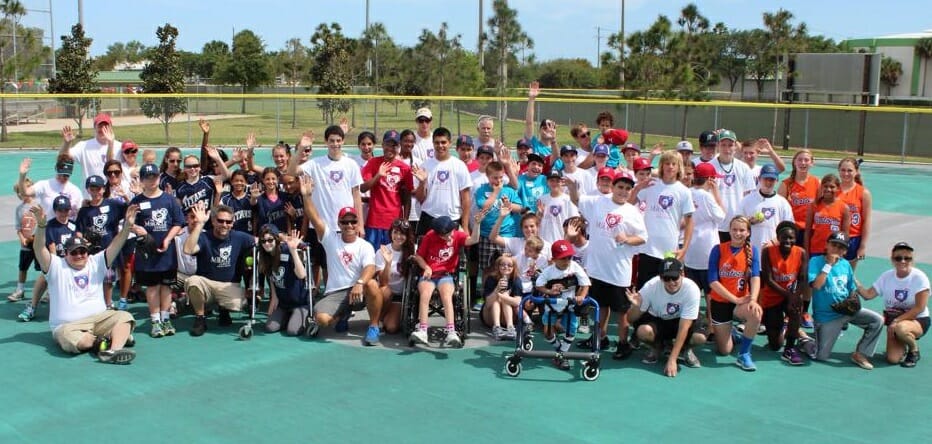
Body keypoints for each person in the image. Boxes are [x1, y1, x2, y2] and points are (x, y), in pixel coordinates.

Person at [32, 202, 140, 364]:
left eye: (82, 251)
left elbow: (116, 243)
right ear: (66, 253)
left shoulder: (95, 262)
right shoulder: (56, 266)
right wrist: (41, 227)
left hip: (99, 319)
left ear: (87, 252)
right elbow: (39, 248)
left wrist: (127, 226)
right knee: (70, 339)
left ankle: (113, 351)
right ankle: (104, 341)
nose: (79, 255)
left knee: (125, 317)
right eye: (74, 252)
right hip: (68, 325)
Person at [567, 170, 647, 360]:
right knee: (600, 306)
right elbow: (577, 200)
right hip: (597, 268)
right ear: (612, 187)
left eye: (628, 188)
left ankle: (623, 343)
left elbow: (643, 238)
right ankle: (599, 337)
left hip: (619, 270)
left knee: (622, 311)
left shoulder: (632, 212)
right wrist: (571, 188)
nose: (623, 191)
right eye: (620, 187)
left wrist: (627, 238)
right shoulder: (598, 202)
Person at [300, 175, 381, 345]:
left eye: (353, 221)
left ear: (358, 222)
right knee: (322, 319)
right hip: (336, 292)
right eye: (345, 222)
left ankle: (373, 326)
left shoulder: (364, 245)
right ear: (339, 223)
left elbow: (370, 268)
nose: (349, 225)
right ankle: (341, 315)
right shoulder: (330, 239)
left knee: (372, 284)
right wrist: (307, 196)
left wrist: (359, 283)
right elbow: (314, 217)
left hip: (358, 290)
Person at [807, 232, 883, 370]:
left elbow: (851, 288)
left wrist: (852, 300)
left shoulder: (845, 265)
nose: (837, 249)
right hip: (827, 317)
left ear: (845, 251)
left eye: (841, 247)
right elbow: (817, 285)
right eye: (834, 245)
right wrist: (828, 265)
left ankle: (861, 354)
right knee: (821, 356)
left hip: (846, 311)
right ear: (827, 245)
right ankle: (804, 340)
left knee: (877, 320)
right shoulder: (816, 262)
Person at [183, 202, 256, 337]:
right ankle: (200, 318)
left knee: (239, 304)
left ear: (232, 223)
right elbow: (187, 250)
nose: (224, 224)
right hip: (207, 284)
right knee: (192, 281)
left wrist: (282, 238)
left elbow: (261, 240)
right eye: (220, 221)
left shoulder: (239, 237)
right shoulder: (204, 237)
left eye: (228, 222)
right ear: (213, 221)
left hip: (228, 285)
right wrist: (199, 224)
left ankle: (224, 310)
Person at [130, 164, 185, 338]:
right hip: (148, 252)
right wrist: (139, 230)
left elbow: (178, 222)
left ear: (159, 178)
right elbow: (128, 223)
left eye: (154, 176)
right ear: (142, 180)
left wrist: (168, 239)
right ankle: (155, 321)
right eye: (147, 177)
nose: (151, 180)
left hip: (166, 252)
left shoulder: (169, 200)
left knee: (167, 286)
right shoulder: (137, 201)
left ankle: (165, 318)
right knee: (152, 287)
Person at [625, 257, 705, 376]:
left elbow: (684, 327)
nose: (671, 282)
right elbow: (630, 319)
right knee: (642, 331)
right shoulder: (651, 286)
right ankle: (658, 347)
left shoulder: (692, 289)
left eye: (675, 277)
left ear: (682, 274)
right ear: (660, 277)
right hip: (659, 320)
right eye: (666, 278)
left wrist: (672, 359)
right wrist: (636, 306)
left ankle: (685, 349)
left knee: (700, 337)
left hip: (680, 321)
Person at [410, 215, 481, 347]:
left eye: (450, 234)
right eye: (445, 236)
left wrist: (477, 224)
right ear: (438, 234)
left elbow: (473, 240)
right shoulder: (430, 236)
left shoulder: (458, 235)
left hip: (446, 275)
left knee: (447, 296)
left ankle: (451, 332)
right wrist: (426, 267)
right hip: (429, 274)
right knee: (425, 294)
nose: (449, 238)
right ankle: (423, 330)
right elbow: (418, 256)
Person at [855, 242, 928, 368]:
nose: (903, 261)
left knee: (901, 328)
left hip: (917, 320)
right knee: (893, 359)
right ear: (892, 260)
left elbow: (919, 308)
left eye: (907, 258)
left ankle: (914, 350)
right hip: (895, 321)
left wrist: (896, 321)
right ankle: (904, 340)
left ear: (912, 259)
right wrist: (852, 280)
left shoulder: (919, 277)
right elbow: (868, 295)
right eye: (898, 258)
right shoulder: (887, 276)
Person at [630, 151, 694, 290]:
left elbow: (689, 222)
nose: (670, 167)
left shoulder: (684, 191)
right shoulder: (651, 185)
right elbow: (629, 204)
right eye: (667, 163)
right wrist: (638, 188)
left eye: (674, 164)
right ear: (661, 166)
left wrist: (685, 248)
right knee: (644, 288)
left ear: (679, 167)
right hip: (648, 247)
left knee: (666, 288)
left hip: (669, 249)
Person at [706, 216, 763, 371]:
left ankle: (744, 354)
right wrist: (734, 299)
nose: (738, 233)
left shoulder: (753, 251)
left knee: (756, 312)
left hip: (741, 302)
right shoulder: (718, 249)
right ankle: (733, 333)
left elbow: (756, 277)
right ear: (729, 231)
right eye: (734, 230)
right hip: (721, 302)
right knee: (724, 351)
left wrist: (753, 299)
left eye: (742, 230)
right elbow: (713, 281)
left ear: (748, 232)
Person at [535, 239, 591, 370]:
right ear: (554, 259)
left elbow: (586, 283)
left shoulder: (575, 267)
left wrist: (581, 296)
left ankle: (561, 355)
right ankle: (560, 351)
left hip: (569, 306)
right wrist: (549, 291)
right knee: (548, 333)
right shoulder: (549, 271)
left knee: (571, 331)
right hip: (552, 305)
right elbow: (539, 285)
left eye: (569, 257)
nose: (567, 261)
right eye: (563, 258)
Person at [778, 149, 819, 328]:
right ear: (794, 163)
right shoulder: (787, 184)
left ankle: (804, 311)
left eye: (806, 160)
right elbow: (779, 208)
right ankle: (787, 310)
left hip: (810, 233)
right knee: (789, 271)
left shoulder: (817, 183)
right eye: (800, 160)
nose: (803, 163)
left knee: (807, 273)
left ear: (812, 163)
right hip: (790, 233)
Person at [683, 162, 726, 330]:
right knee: (710, 291)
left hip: (690, 248)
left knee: (692, 290)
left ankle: (690, 325)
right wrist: (716, 193)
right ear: (709, 179)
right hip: (707, 249)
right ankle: (711, 325)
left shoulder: (687, 193)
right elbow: (722, 216)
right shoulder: (706, 196)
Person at [760, 221, 809, 365]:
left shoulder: (801, 253)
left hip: (791, 295)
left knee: (795, 310)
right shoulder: (767, 252)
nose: (788, 241)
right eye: (784, 237)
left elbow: (803, 278)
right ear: (778, 237)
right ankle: (780, 329)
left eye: (791, 238)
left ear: (795, 238)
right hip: (773, 296)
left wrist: (795, 296)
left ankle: (790, 348)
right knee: (775, 346)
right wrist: (789, 295)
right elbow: (768, 279)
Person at [75, 175, 127, 309]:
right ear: (88, 190)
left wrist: (126, 197)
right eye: (92, 189)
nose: (96, 192)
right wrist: (82, 241)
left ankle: (108, 304)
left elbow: (130, 209)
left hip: (109, 247)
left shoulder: (112, 204)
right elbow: (79, 229)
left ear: (104, 189)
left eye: (99, 188)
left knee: (108, 279)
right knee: (93, 279)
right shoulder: (84, 210)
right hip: (92, 250)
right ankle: (94, 303)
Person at [413, 127, 473, 237]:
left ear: (450, 143)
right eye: (437, 142)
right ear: (432, 143)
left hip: (453, 219)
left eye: (443, 142)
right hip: (429, 218)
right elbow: (420, 198)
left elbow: (466, 199)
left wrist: (464, 226)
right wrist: (422, 182)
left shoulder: (459, 166)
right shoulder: (425, 166)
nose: (440, 146)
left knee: (451, 254)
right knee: (423, 254)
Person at [360, 130, 413, 248]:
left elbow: (407, 197)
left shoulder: (404, 168)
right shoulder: (373, 163)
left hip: (394, 222)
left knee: (392, 259)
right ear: (383, 145)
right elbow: (363, 188)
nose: (390, 148)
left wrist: (405, 220)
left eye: (394, 145)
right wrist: (378, 175)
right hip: (375, 220)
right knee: (372, 257)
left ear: (399, 147)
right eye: (388, 144)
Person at [256, 225, 309, 336]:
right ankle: (289, 317)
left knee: (292, 331)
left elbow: (302, 275)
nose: (266, 244)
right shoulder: (266, 255)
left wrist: (293, 251)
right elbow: (271, 277)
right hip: (283, 303)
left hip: (300, 302)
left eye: (270, 240)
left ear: (276, 239)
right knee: (270, 327)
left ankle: (303, 315)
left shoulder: (286, 250)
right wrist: (274, 297)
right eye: (263, 241)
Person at [365, 218, 414, 335]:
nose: (398, 236)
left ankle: (388, 317)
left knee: (391, 327)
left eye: (402, 233)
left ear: (408, 236)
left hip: (400, 296)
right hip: (384, 293)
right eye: (395, 232)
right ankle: (376, 322)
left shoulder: (413, 250)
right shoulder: (382, 251)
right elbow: (383, 282)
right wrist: (388, 263)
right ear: (390, 233)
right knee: (386, 291)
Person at [710, 130, 756, 242]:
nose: (727, 149)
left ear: (735, 147)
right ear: (717, 146)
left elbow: (748, 195)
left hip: (738, 227)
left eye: (730, 145)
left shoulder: (743, 168)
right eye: (723, 145)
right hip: (715, 225)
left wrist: (745, 219)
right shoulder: (710, 167)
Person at [739, 164, 794, 248]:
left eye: (772, 179)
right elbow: (736, 225)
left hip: (774, 249)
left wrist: (774, 242)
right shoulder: (747, 200)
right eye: (765, 179)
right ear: (759, 179)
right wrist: (748, 222)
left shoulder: (782, 203)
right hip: (751, 248)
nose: (768, 182)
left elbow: (788, 228)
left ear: (777, 180)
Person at [59, 117, 118, 190]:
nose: (102, 129)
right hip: (90, 196)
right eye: (100, 126)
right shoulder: (83, 146)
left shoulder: (120, 147)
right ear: (94, 128)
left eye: (106, 126)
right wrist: (66, 143)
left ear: (111, 127)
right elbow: (63, 158)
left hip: (113, 195)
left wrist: (110, 143)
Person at [804, 174, 850, 257]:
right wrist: (806, 252)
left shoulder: (844, 208)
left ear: (838, 188)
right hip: (816, 249)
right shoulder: (813, 205)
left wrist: (842, 253)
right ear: (821, 187)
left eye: (832, 187)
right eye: (825, 186)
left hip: (834, 251)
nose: (828, 189)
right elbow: (807, 231)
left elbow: (845, 234)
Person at [837, 157, 872, 269]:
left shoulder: (863, 193)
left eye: (850, 170)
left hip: (853, 239)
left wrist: (862, 246)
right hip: (833, 237)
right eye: (843, 170)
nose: (846, 173)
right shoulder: (832, 190)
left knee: (848, 275)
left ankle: (858, 287)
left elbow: (866, 220)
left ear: (856, 172)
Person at [481, 254, 523, 340]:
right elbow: (488, 304)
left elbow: (518, 302)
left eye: (509, 265)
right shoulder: (491, 278)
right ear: (498, 266)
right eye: (503, 264)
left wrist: (503, 296)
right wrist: (497, 290)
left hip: (507, 317)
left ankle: (510, 328)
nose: (506, 267)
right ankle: (497, 328)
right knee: (496, 301)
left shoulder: (516, 280)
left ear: (514, 267)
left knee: (505, 300)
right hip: (490, 317)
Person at [8, 179, 37, 302]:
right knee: (23, 268)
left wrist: (35, 238)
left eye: (25, 191)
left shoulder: (39, 205)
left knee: (45, 269)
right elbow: (18, 228)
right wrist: (23, 239)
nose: (22, 194)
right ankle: (20, 290)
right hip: (26, 245)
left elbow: (44, 224)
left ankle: (49, 292)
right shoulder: (19, 209)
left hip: (39, 243)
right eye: (19, 192)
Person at [537, 169, 579, 244]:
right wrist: (540, 214)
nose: (554, 183)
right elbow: (537, 221)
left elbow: (574, 220)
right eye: (552, 180)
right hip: (544, 241)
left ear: (562, 182)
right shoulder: (542, 199)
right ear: (547, 182)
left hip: (561, 240)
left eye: (557, 180)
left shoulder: (568, 199)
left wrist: (568, 239)